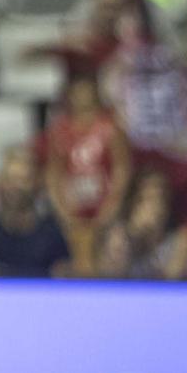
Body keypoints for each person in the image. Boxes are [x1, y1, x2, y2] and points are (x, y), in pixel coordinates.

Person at [42, 72, 131, 274]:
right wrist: (61, 208)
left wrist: (113, 204)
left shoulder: (110, 128)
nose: (82, 98)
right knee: (79, 251)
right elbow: (53, 173)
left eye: (87, 93)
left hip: (103, 202)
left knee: (106, 254)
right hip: (72, 204)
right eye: (78, 93)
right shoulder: (60, 130)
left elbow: (121, 168)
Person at [0, 147, 71, 277]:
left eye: (23, 179)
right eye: (10, 179)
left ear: (36, 183)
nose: (16, 186)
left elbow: (64, 279)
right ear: (0, 183)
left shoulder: (54, 235)